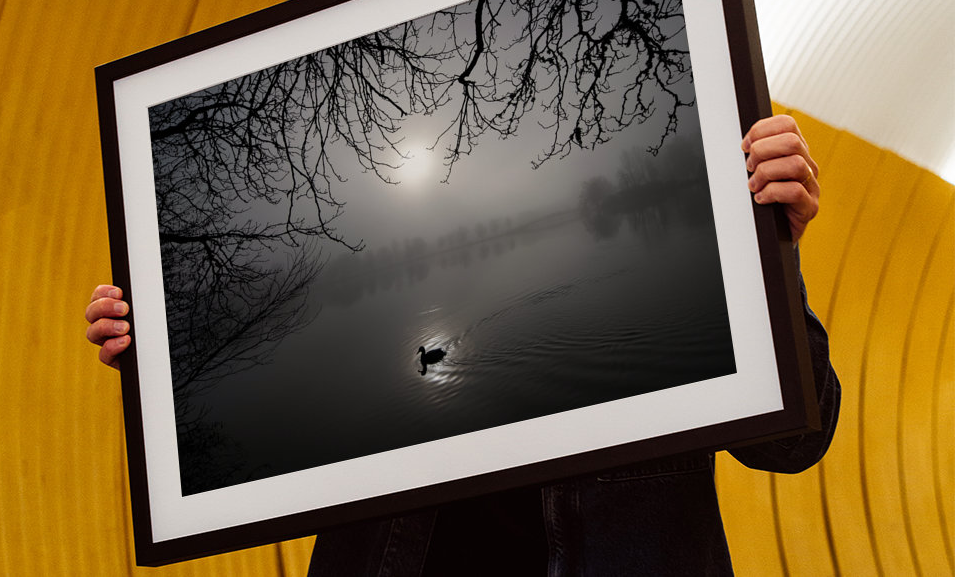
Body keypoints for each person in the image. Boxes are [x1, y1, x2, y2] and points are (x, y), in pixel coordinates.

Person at [85, 114, 840, 576]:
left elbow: (796, 441)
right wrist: (177, 356)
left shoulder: (678, 268)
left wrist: (768, 249)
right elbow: (280, 405)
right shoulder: (381, 303)